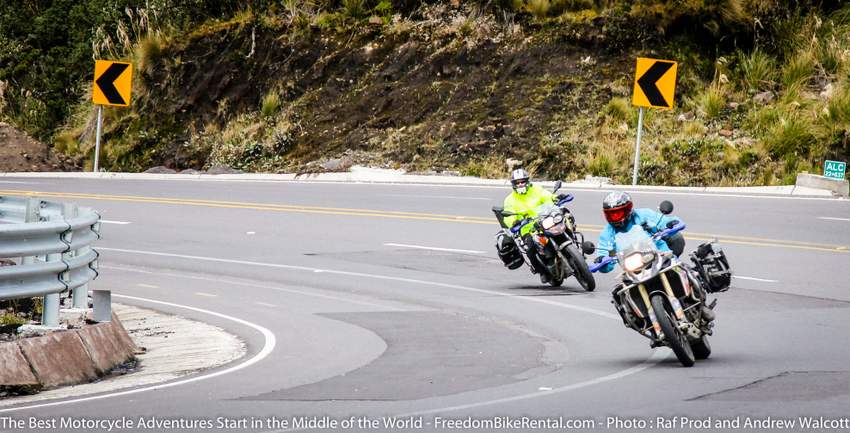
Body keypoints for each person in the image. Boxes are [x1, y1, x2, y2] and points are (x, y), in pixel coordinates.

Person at [595, 191, 714, 321]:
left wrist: (672, 224)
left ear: (628, 209)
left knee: (684, 270)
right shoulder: (607, 233)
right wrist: (601, 260)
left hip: (660, 255)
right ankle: (644, 324)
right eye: (611, 214)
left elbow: (665, 220)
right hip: (633, 269)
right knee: (621, 296)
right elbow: (603, 254)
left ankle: (701, 306)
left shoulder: (643, 215)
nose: (615, 217)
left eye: (618, 212)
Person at [500, 169, 558, 283]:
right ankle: (542, 271)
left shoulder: (536, 189)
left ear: (527, 181)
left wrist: (555, 198)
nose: (520, 184)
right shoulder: (510, 200)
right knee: (530, 248)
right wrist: (513, 222)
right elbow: (508, 215)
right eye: (517, 182)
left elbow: (547, 196)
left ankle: (575, 246)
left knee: (565, 219)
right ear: (514, 185)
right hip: (527, 229)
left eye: (522, 181)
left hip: (544, 220)